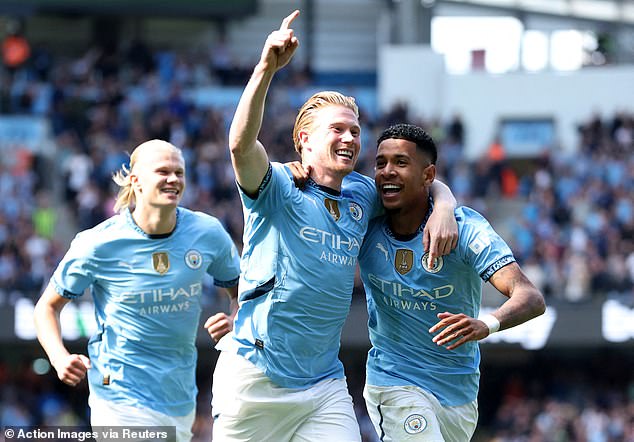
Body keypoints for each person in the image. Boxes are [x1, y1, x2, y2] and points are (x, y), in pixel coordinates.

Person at [211, 10, 458, 442]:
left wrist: (445, 204)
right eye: (338, 129)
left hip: (324, 384)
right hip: (255, 378)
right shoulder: (277, 185)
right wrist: (266, 68)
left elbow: (422, 185)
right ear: (304, 139)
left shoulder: (364, 193)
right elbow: (239, 145)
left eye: (356, 131)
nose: (350, 139)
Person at [33, 139, 240, 441]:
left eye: (179, 173)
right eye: (163, 171)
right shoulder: (98, 243)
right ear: (135, 180)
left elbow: (242, 294)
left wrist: (236, 318)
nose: (173, 179)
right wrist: (58, 356)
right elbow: (46, 308)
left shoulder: (207, 233)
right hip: (117, 392)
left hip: (178, 396)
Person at [358, 124, 546, 441]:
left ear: (428, 175)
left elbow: (530, 296)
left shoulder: (466, 229)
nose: (387, 172)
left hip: (459, 394)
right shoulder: (364, 215)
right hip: (393, 380)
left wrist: (486, 324)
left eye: (401, 163)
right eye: (380, 163)